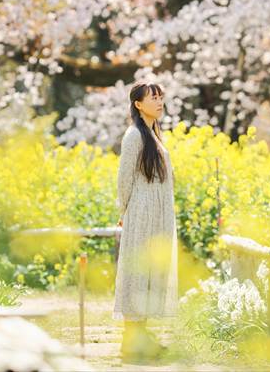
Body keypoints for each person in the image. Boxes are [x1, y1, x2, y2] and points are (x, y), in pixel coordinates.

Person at [113, 81, 178, 363]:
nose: (159, 101)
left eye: (160, 96)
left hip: (158, 214)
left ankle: (141, 340)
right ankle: (133, 343)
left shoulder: (153, 134)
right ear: (138, 104)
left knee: (150, 273)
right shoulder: (133, 136)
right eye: (153, 98)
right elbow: (124, 179)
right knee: (137, 273)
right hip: (141, 213)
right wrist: (124, 212)